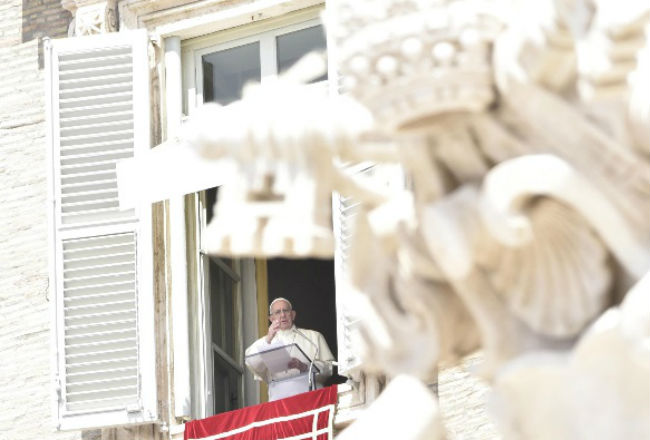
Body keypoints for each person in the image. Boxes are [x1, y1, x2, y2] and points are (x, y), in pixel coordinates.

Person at [245, 297, 335, 401]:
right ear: (271, 319)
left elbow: (329, 368)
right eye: (278, 312)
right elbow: (251, 362)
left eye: (286, 310)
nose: (282, 315)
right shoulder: (265, 342)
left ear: (292, 315)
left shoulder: (313, 337)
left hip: (310, 398)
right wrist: (268, 338)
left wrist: (305, 366)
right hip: (279, 400)